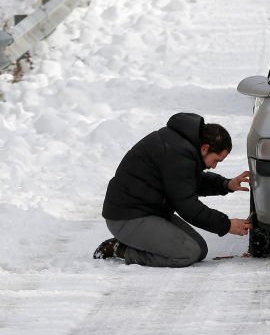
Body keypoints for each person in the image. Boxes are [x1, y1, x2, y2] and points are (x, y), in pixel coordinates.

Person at [93, 112, 252, 267]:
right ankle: (121, 249)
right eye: (216, 160)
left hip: (149, 211)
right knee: (187, 253)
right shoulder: (177, 153)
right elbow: (188, 206)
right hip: (126, 216)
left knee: (199, 249)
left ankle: (138, 242)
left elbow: (188, 181)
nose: (214, 166)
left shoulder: (183, 146)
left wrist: (227, 184)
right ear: (205, 148)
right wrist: (226, 225)